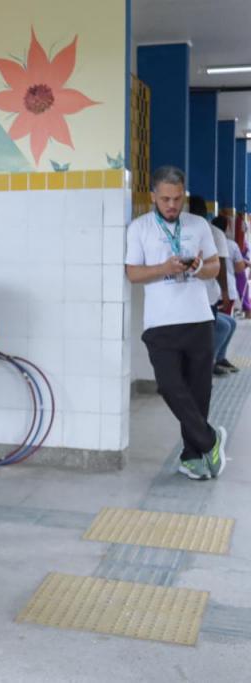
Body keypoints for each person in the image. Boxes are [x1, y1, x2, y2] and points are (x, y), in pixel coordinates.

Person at [125, 167, 226, 480]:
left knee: (199, 392)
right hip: (160, 323)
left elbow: (214, 266)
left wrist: (197, 267)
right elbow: (133, 273)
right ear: (153, 196)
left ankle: (192, 457)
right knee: (170, 387)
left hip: (199, 319)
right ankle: (210, 440)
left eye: (178, 199)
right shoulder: (139, 228)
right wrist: (163, 268)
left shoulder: (198, 225)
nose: (172, 205)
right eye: (165, 199)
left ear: (184, 195)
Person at [208, 216, 237, 375]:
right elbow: (222, 266)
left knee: (231, 322)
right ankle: (209, 362)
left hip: (211, 296)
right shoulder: (216, 234)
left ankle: (219, 358)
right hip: (205, 299)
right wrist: (225, 293)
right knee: (223, 327)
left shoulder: (212, 233)